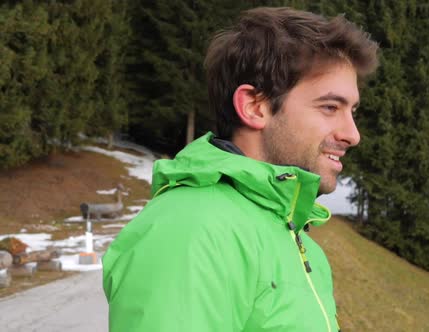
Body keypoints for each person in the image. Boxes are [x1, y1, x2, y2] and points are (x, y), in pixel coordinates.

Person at [102, 7, 378, 332]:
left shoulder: (293, 236)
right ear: (254, 107)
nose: (353, 134)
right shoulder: (192, 231)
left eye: (352, 110)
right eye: (330, 107)